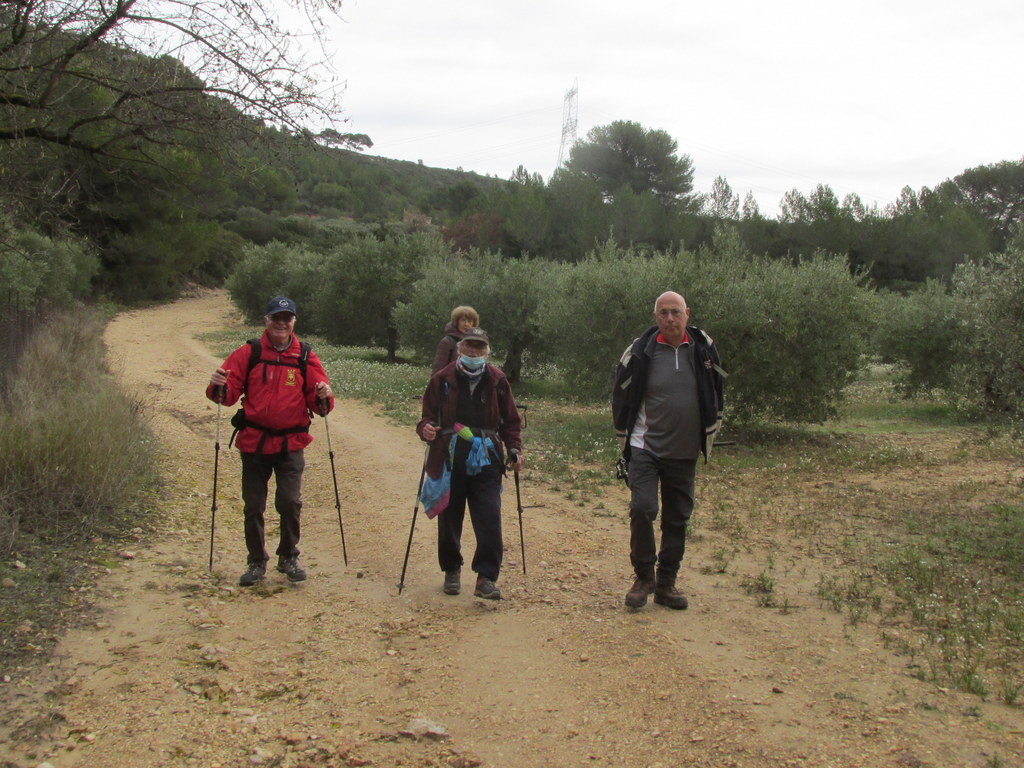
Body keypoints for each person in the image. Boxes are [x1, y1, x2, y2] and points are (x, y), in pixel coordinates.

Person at [206, 296, 335, 587]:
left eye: (287, 318)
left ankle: (288, 556)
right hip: (254, 442)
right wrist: (217, 383)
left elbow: (320, 404)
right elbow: (224, 396)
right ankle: (256, 561)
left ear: (293, 322)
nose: (281, 323)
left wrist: (324, 394)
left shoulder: (304, 355)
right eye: (276, 317)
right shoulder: (247, 353)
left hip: (291, 443)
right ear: (266, 320)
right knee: (253, 505)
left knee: (290, 502)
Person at [611, 291, 725, 610]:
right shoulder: (639, 351)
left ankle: (665, 584)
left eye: (675, 312)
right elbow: (619, 395)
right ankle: (643, 575)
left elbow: (717, 389)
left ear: (687, 313)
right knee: (642, 508)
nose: (670, 318)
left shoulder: (704, 349)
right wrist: (623, 438)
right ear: (655, 316)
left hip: (685, 450)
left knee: (677, 519)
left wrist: (713, 429)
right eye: (663, 313)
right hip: (645, 446)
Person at [417, 327, 524, 599]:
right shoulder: (442, 379)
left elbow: (511, 421)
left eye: (479, 348)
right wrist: (426, 429)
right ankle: (451, 569)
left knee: (489, 516)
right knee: (450, 516)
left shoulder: (498, 381)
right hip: (450, 455)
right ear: (460, 349)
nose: (474, 352)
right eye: (469, 347)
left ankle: (486, 577)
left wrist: (514, 449)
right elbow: (427, 417)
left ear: (487, 351)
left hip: (487, 457)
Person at [431, 305, 480, 374]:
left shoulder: (477, 343)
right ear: (457, 322)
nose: (466, 324)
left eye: (469, 321)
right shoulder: (447, 342)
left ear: (474, 324)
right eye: (463, 320)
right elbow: (438, 370)